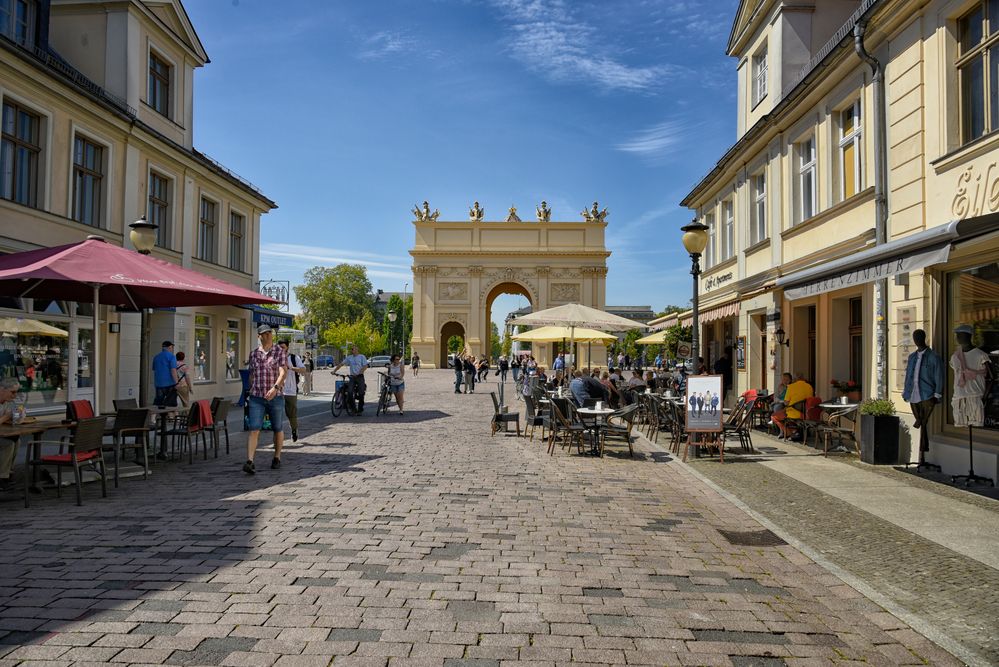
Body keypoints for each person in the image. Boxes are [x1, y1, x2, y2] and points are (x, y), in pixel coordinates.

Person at [244, 324, 288, 474]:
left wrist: (275, 388)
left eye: (269, 333)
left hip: (276, 396)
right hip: (257, 396)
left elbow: (283, 373)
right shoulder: (254, 354)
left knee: (277, 428)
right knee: (254, 428)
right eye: (264, 333)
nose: (268, 335)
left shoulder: (279, 352)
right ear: (259, 336)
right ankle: (250, 461)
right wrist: (250, 388)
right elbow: (251, 375)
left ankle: (277, 457)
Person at [902, 328, 944, 462]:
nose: (916, 340)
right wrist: (905, 391)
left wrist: (937, 394)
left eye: (919, 337)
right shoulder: (912, 357)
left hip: (927, 394)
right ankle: (922, 454)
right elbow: (908, 375)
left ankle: (922, 455)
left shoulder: (933, 357)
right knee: (922, 421)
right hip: (912, 393)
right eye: (915, 337)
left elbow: (939, 376)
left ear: (923, 338)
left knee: (923, 421)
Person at [950, 323, 990, 428]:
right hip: (960, 395)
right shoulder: (955, 356)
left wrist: (985, 396)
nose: (957, 337)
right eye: (957, 335)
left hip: (975, 394)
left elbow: (992, 376)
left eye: (960, 335)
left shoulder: (980, 355)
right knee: (962, 420)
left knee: (975, 420)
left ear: (968, 336)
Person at [772, 374, 814, 440]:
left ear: (794, 380)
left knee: (774, 416)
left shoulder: (791, 387)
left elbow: (786, 403)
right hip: (805, 414)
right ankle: (794, 431)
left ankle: (790, 433)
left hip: (793, 413)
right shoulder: (810, 387)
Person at [279, 339, 306, 441]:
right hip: (278, 390)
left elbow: (303, 370)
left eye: (283, 348)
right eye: (279, 348)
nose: (281, 350)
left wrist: (291, 368)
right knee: (276, 412)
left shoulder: (294, 358)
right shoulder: (275, 358)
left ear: (287, 347)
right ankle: (277, 434)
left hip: (291, 389)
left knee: (291, 413)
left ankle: (294, 430)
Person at [333, 344, 369, 413]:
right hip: (352, 377)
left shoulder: (362, 357)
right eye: (351, 349)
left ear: (357, 350)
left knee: (361, 393)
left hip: (359, 376)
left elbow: (365, 366)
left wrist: (360, 372)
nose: (352, 350)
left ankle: (360, 408)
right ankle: (353, 408)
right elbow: (341, 364)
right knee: (349, 392)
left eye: (353, 349)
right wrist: (334, 371)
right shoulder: (349, 357)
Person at [0, 377, 21, 492]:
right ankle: (2, 477)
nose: (14, 395)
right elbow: (4, 418)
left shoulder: (7, 402)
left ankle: (7, 472)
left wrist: (18, 416)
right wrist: (6, 417)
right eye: (12, 392)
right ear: (2, 389)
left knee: (17, 441)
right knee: (8, 444)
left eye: (16, 392)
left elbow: (13, 419)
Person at [152, 340, 179, 411]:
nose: (172, 349)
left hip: (159, 384)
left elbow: (154, 369)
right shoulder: (172, 357)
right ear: (169, 347)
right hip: (170, 384)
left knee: (158, 402)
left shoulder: (156, 357)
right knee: (171, 402)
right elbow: (173, 370)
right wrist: (176, 382)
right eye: (172, 347)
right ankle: (172, 417)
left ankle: (153, 418)